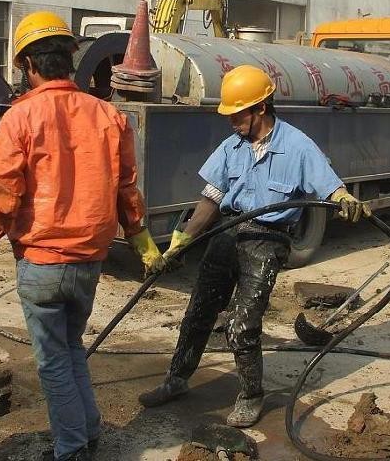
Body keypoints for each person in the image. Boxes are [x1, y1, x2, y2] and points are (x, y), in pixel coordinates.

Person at [0, 11, 166, 461]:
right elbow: (127, 190)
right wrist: (144, 244)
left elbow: (4, 193)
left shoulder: (20, 118)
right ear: (70, 62)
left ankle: (72, 448)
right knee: (71, 348)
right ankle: (88, 430)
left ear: (27, 66)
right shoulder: (110, 116)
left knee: (53, 363)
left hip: (42, 264)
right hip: (90, 262)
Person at [138, 65, 371, 427]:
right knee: (199, 311)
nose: (231, 123)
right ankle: (177, 379)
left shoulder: (297, 146)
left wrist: (343, 197)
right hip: (228, 232)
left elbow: (329, 185)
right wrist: (178, 245)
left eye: (237, 115)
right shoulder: (232, 146)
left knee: (243, 324)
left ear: (260, 108)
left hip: (267, 239)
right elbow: (210, 200)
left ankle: (251, 395)